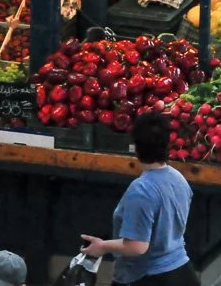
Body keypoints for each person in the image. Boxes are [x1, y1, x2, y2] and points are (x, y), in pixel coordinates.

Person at [80, 113, 198, 286]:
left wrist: (102, 247)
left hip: (147, 277)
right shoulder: (178, 179)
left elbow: (137, 246)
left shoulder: (141, 190)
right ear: (168, 143)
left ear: (136, 147)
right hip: (183, 273)